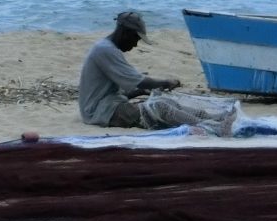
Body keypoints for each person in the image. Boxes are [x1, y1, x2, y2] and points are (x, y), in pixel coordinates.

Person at [78, 11, 238, 132]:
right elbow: (139, 80)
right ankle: (210, 127)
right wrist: (165, 82)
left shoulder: (108, 49)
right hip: (101, 112)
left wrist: (143, 91)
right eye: (136, 38)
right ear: (125, 32)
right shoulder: (106, 51)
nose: (135, 44)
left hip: (109, 105)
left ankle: (215, 118)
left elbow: (121, 90)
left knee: (169, 102)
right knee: (161, 108)